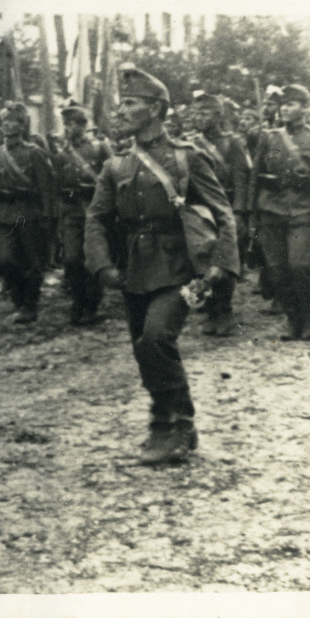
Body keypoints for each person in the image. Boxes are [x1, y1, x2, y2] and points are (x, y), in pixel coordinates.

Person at [85, 67, 239, 465]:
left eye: (130, 103)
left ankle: (175, 425)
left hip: (183, 268)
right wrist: (102, 265)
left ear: (155, 109)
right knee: (143, 348)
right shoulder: (116, 165)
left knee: (156, 338)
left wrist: (221, 264)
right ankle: (167, 421)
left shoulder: (187, 158)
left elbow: (223, 212)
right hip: (134, 270)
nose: (121, 110)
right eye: (122, 103)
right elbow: (96, 218)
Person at [248, 84, 310, 341]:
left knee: (299, 267)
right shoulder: (269, 138)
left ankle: (307, 315)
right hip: (270, 211)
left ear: (305, 108)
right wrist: (251, 214)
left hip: (302, 211)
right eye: (283, 104)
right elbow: (255, 177)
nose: (284, 108)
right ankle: (292, 317)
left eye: (291, 104)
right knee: (276, 270)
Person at [188, 93, 252, 337]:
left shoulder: (232, 143)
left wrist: (239, 213)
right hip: (200, 210)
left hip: (225, 208)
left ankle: (224, 310)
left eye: (204, 113)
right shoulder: (189, 143)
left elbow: (241, 179)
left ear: (218, 116)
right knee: (202, 260)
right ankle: (211, 309)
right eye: (195, 113)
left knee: (224, 259)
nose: (198, 117)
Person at [0, 101, 55, 324]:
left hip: (28, 213)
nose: (7, 125)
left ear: (22, 126)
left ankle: (29, 305)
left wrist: (48, 217)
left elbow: (46, 188)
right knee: (5, 259)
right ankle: (18, 299)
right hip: (5, 215)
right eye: (4, 121)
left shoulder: (34, 153)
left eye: (13, 121)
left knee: (30, 260)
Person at [54, 102, 113, 326]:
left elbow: (113, 180)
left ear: (82, 125)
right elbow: (57, 186)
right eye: (65, 124)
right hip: (71, 213)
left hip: (95, 211)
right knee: (71, 259)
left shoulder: (99, 148)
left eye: (71, 124)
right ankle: (78, 300)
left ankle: (91, 304)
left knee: (91, 260)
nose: (67, 128)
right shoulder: (62, 154)